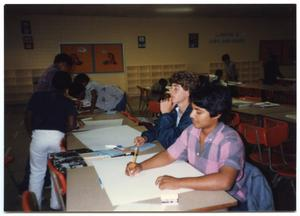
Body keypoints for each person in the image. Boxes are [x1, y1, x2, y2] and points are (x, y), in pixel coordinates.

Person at [126, 85, 248, 210]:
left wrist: (178, 182)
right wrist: (141, 166)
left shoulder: (230, 141)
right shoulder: (192, 131)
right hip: (198, 190)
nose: (192, 115)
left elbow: (224, 181)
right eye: (193, 109)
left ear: (217, 115)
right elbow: (169, 155)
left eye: (198, 112)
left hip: (226, 199)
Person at [25, 71, 78, 210]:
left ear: (52, 83)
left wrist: (32, 133)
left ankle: (33, 206)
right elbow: (72, 125)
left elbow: (28, 117)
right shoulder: (67, 101)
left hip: (38, 137)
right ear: (67, 87)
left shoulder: (37, 96)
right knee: (57, 172)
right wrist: (61, 129)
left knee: (36, 172)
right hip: (57, 139)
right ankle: (55, 204)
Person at [134, 71, 197, 149]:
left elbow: (170, 143)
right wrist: (146, 137)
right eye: (171, 87)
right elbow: (158, 128)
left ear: (188, 92)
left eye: (176, 88)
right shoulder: (174, 108)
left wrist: (166, 115)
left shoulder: (193, 115)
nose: (170, 91)